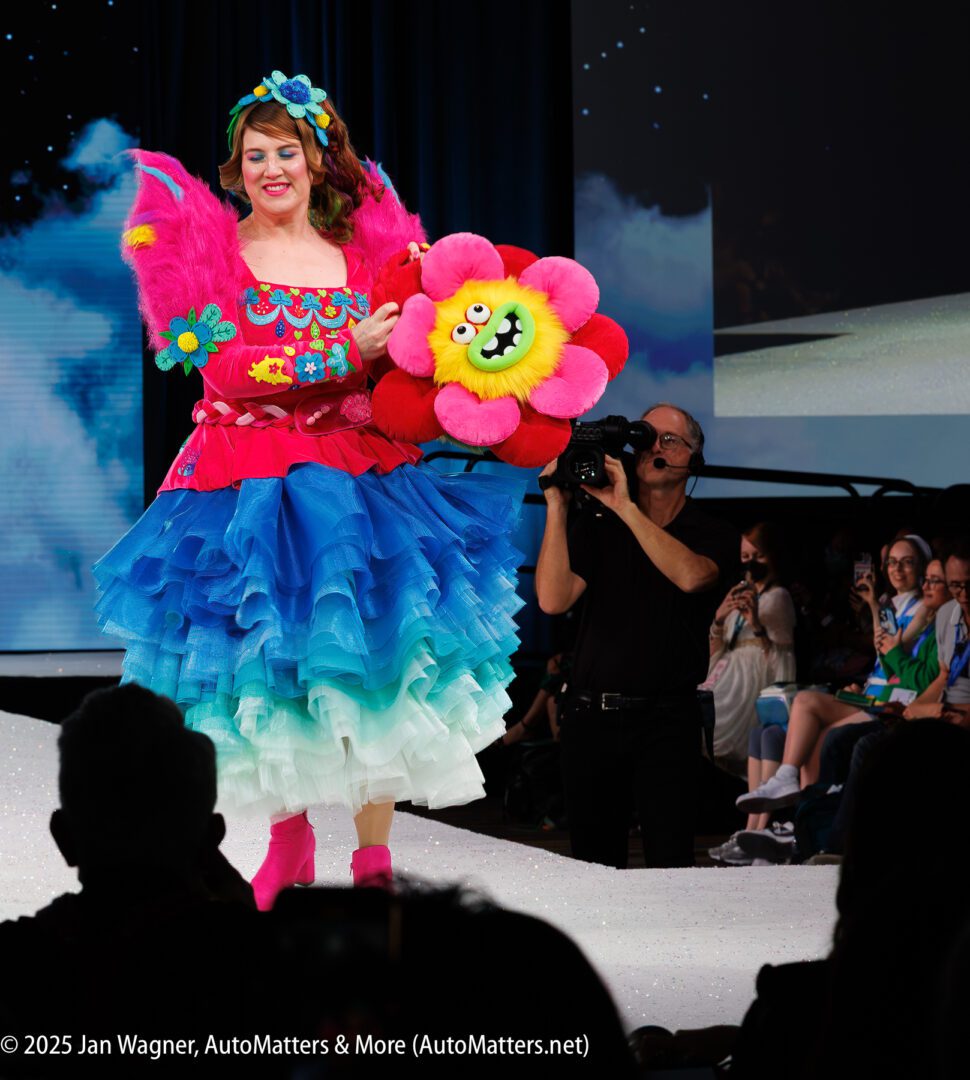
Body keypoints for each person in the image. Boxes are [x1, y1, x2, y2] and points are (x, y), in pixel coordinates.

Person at [92, 72, 526, 910]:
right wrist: (341, 353)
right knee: (270, 653)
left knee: (381, 655)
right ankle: (289, 839)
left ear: (319, 159)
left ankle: (372, 860)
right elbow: (224, 369)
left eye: (285, 151)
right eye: (254, 155)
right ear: (236, 168)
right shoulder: (214, 255)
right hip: (245, 476)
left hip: (358, 475)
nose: (270, 169)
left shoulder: (364, 258)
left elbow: (413, 355)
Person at [535, 403, 739, 868]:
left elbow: (692, 576)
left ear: (694, 460)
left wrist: (625, 507)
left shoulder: (712, 531)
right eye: (645, 437)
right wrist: (557, 507)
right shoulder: (602, 524)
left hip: (666, 722)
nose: (653, 447)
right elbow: (552, 598)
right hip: (590, 717)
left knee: (670, 864)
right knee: (593, 866)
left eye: (669, 439)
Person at [736, 533, 929, 814]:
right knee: (812, 731)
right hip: (871, 693)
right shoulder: (891, 602)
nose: (897, 569)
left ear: (922, 567)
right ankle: (803, 821)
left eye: (907, 562)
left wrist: (875, 609)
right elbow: (883, 651)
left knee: (805, 702)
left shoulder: (924, 606)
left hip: (893, 700)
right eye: (892, 563)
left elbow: (892, 652)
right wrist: (875, 605)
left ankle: (788, 781)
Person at [704, 522, 796, 767]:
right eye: (745, 556)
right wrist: (719, 619)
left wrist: (755, 623)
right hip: (726, 671)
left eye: (758, 556)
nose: (751, 562)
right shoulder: (739, 591)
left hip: (752, 678)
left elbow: (783, 657)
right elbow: (718, 645)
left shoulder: (778, 597)